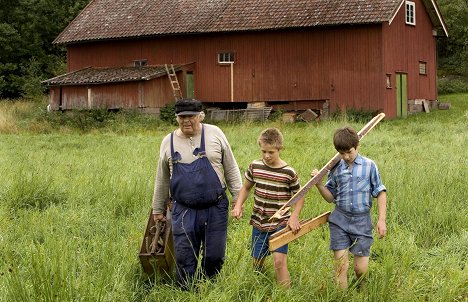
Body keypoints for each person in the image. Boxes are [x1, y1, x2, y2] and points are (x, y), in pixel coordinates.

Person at [151, 98, 242, 288]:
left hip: (215, 207)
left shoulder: (215, 133)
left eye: (191, 116)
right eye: (181, 117)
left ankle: (209, 288)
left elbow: (231, 167)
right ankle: (185, 291)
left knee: (215, 255)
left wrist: (238, 198)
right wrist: (158, 208)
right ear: (176, 118)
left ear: (200, 115)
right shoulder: (168, 142)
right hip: (183, 209)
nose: (186, 121)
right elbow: (162, 177)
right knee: (184, 256)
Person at [311, 126, 387, 289]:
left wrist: (381, 220)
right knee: (341, 267)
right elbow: (330, 198)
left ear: (357, 146)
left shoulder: (369, 165)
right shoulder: (335, 168)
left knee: (360, 269)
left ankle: (362, 287)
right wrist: (318, 184)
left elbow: (380, 192)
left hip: (362, 222)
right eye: (341, 153)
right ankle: (342, 296)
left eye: (349, 152)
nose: (345, 156)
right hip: (340, 220)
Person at [231, 128, 304, 288]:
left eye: (271, 152)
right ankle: (260, 283)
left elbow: (299, 196)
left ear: (279, 149)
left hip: (280, 222)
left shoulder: (288, 172)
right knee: (257, 263)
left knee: (279, 262)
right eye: (263, 151)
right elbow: (246, 188)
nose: (266, 156)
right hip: (259, 221)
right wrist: (238, 205)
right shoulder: (255, 166)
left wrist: (294, 216)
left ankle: (285, 295)